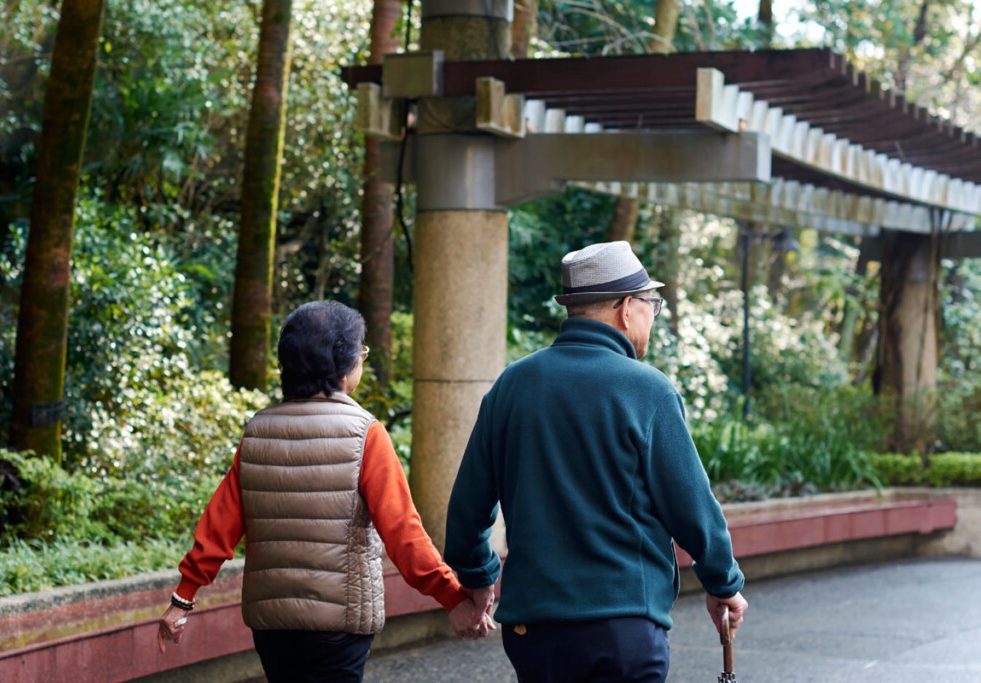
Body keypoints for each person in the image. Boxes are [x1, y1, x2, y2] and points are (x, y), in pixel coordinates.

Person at [443, 241, 748, 682]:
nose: (652, 316)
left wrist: (477, 576)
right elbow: (692, 507)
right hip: (622, 625)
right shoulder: (647, 390)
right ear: (627, 308)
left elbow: (469, 507)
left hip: (533, 630)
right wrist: (724, 585)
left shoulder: (513, 385)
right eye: (651, 304)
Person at [157, 301, 492, 682]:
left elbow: (218, 529)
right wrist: (453, 597)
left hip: (272, 626)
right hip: (340, 624)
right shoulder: (365, 434)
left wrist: (182, 600)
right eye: (362, 352)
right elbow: (404, 535)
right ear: (344, 365)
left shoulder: (257, 433)